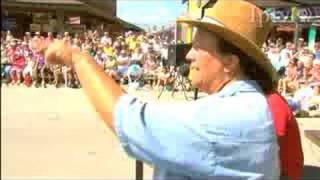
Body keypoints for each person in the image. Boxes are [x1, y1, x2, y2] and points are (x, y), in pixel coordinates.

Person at [32, 0, 279, 179]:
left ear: (230, 62)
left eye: (198, 47)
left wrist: (77, 59)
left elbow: (130, 122)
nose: (189, 55)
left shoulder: (233, 115)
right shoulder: (243, 105)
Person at [267, 92, 304, 180]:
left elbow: (275, 137)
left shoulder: (273, 100)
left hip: (284, 172)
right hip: (278, 168)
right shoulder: (272, 99)